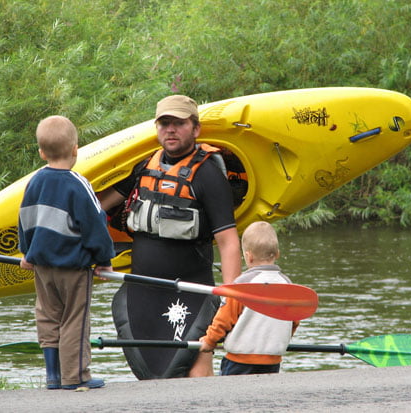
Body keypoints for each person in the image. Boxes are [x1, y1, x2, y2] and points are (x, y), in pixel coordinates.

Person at [98, 95, 241, 378]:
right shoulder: (142, 168)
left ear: (196, 129)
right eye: (164, 123)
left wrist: (230, 298)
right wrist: (98, 252)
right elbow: (97, 207)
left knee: (196, 365)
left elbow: (228, 241)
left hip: (191, 293)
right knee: (152, 376)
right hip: (143, 293)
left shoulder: (208, 175)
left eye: (179, 123)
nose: (171, 130)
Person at [18, 115, 115, 390]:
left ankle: (53, 376)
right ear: (75, 149)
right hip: (74, 268)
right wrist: (104, 260)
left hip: (42, 267)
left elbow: (24, 218)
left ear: (41, 152)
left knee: (48, 315)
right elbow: (95, 225)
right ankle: (76, 377)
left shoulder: (34, 182)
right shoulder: (78, 184)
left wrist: (27, 251)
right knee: (75, 319)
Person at [199, 221, 300, 375]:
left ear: (248, 256)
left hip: (239, 361)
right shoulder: (288, 285)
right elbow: (294, 321)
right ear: (277, 254)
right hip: (272, 360)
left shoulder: (242, 284)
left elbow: (224, 318)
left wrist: (209, 341)